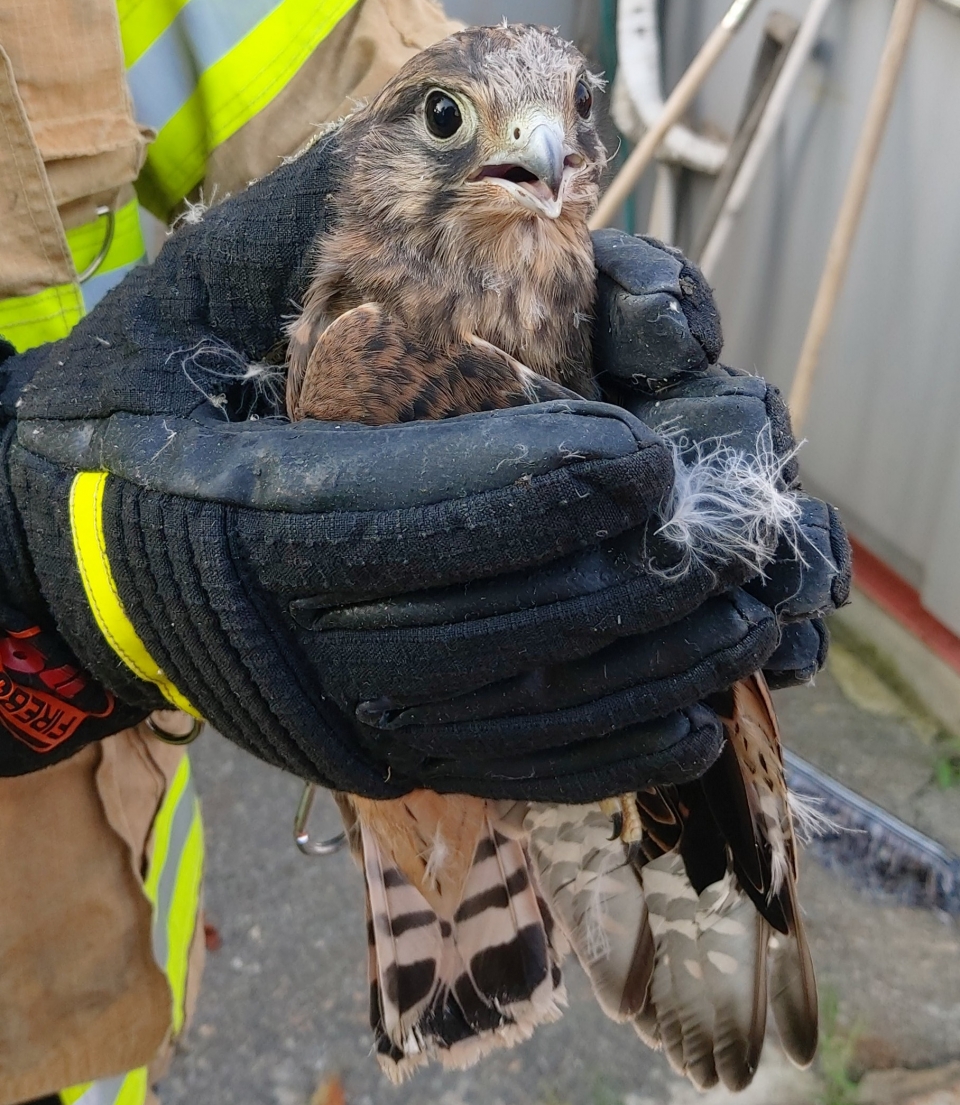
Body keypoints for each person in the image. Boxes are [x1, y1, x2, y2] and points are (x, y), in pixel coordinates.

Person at [0, 1, 850, 1102]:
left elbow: (356, 71)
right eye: (458, 120)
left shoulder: (536, 240)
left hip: (109, 911)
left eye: (571, 117)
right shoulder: (360, 342)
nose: (542, 145)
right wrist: (39, 554)